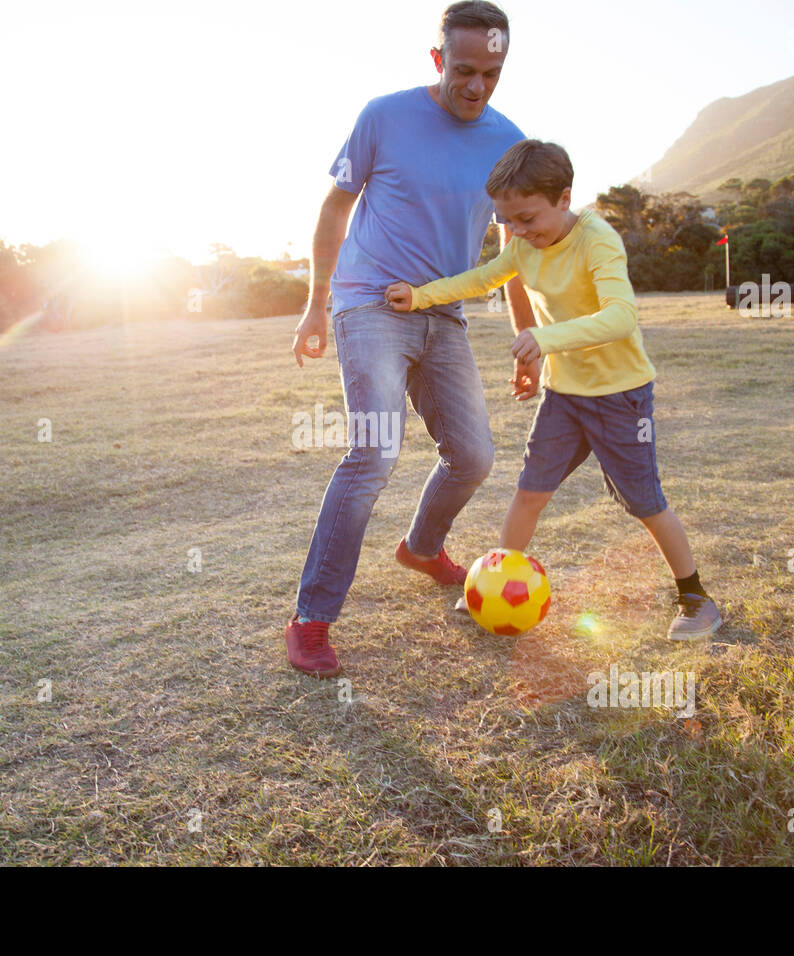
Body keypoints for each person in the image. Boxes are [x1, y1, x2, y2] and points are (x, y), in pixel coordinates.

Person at [386, 139, 723, 640]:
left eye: (526, 218)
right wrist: (419, 297)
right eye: (508, 223)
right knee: (528, 495)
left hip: (620, 396)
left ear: (564, 198)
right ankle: (499, 587)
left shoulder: (597, 239)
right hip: (564, 396)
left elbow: (621, 316)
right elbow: (482, 279)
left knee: (644, 503)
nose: (517, 234)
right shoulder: (523, 245)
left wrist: (545, 339)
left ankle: (697, 600)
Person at [286, 1, 531, 678]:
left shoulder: (510, 144)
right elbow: (335, 206)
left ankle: (423, 548)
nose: (476, 86)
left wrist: (526, 334)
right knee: (374, 451)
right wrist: (314, 307)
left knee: (475, 456)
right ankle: (310, 620)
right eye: (464, 70)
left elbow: (514, 244)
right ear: (437, 60)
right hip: (368, 302)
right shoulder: (383, 116)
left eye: (492, 72)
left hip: (443, 313)